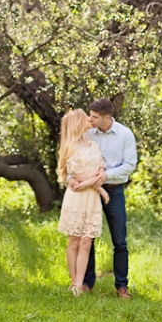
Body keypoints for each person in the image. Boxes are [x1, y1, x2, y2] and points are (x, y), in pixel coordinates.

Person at [69, 98, 137, 299]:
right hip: (90, 191)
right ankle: (87, 283)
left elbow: (129, 165)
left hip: (114, 191)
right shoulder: (88, 133)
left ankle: (122, 286)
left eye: (95, 117)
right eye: (90, 115)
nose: (90, 119)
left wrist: (107, 175)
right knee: (87, 238)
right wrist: (72, 177)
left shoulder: (125, 134)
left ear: (107, 117)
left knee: (119, 241)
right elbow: (74, 156)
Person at [56, 109, 109, 297]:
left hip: (91, 199)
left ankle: (79, 283)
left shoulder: (93, 145)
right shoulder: (70, 147)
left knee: (86, 241)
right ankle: (75, 284)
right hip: (77, 199)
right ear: (77, 123)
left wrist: (97, 181)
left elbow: (100, 167)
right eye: (85, 117)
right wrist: (99, 187)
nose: (89, 118)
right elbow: (78, 179)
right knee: (74, 241)